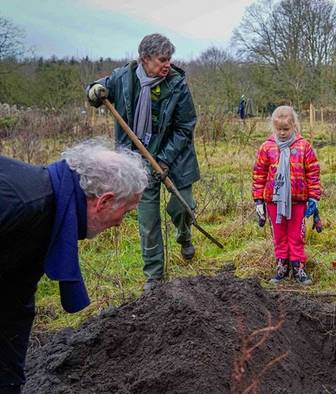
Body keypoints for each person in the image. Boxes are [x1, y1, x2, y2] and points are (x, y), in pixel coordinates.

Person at [0, 139, 148, 394]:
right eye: (126, 212)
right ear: (104, 201)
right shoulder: (21, 206)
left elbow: (14, 303)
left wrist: (9, 383)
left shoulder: (49, 215)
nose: (120, 223)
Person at [87, 33, 200, 291]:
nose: (167, 64)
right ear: (144, 59)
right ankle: (154, 277)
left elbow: (185, 126)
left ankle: (184, 235)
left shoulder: (177, 84)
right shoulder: (123, 79)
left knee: (184, 207)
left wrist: (163, 159)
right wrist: (94, 91)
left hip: (175, 157)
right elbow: (95, 90)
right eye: (162, 59)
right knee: (148, 222)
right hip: (137, 163)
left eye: (169, 59)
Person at [252, 105, 322, 285]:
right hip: (274, 201)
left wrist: (313, 197)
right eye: (279, 129)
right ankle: (282, 265)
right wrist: (258, 200)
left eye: (286, 129)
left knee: (296, 235)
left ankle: (298, 266)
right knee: (279, 234)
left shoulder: (303, 146)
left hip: (298, 201)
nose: (282, 133)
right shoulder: (267, 147)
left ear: (294, 127)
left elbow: (313, 173)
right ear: (273, 128)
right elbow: (259, 174)